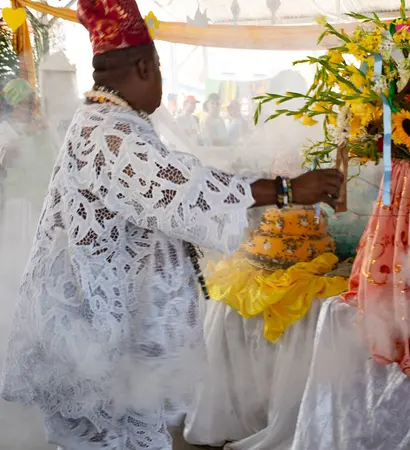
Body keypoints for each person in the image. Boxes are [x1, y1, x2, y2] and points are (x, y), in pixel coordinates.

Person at [0, 1, 343, 449]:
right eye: (160, 68)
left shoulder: (109, 120)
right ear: (146, 66)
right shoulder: (111, 133)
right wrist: (288, 191)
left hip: (102, 331)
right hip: (99, 341)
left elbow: (170, 181)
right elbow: (182, 188)